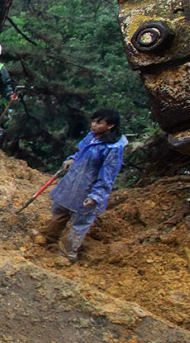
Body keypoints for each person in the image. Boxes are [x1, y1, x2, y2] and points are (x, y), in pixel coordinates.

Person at [35, 109, 128, 262]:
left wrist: (96, 196)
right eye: (94, 121)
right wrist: (72, 159)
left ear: (110, 125)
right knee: (60, 211)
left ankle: (67, 253)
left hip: (88, 188)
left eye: (99, 122)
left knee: (80, 223)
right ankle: (47, 238)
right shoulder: (92, 137)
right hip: (73, 183)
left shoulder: (113, 148)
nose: (94, 125)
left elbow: (108, 175)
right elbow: (81, 152)